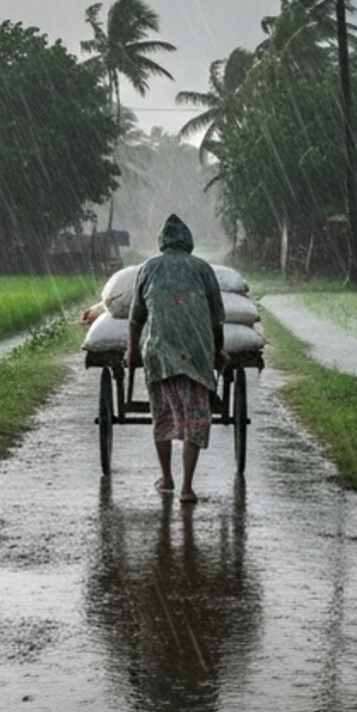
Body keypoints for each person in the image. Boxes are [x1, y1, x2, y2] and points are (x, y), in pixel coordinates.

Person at [126, 213, 226, 503]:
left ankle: (167, 477)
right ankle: (187, 488)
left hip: (160, 355)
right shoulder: (203, 269)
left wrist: (132, 352)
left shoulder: (148, 269)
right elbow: (217, 319)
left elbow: (135, 320)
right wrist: (219, 352)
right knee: (194, 419)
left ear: (162, 243)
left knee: (163, 417)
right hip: (196, 355)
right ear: (188, 242)